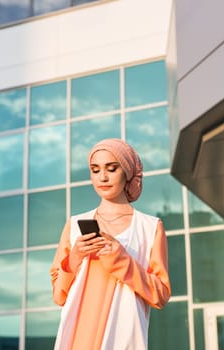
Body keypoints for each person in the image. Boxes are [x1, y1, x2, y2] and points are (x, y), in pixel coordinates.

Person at [50, 138, 171, 350]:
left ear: (126, 171)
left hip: (122, 339)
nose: (102, 177)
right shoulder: (75, 225)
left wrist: (121, 259)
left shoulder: (150, 227)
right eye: (95, 170)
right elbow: (59, 295)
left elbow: (160, 294)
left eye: (111, 168)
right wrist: (75, 258)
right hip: (78, 339)